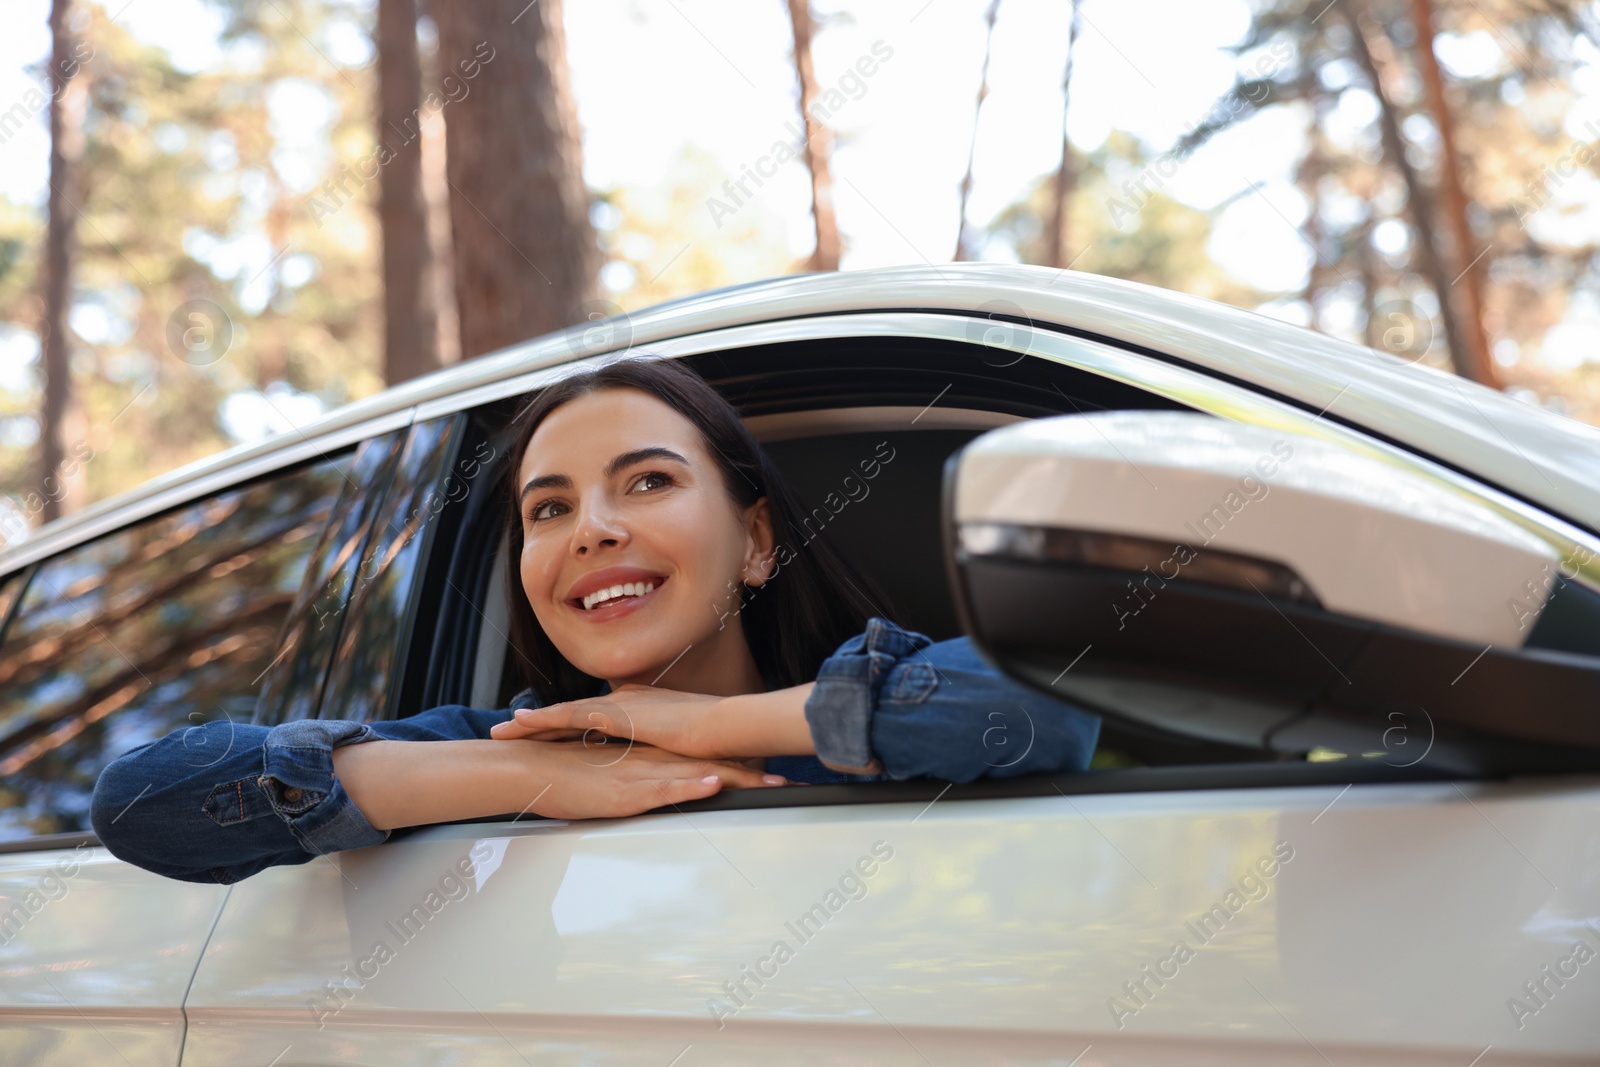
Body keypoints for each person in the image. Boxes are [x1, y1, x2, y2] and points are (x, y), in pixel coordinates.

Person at [90, 357, 1101, 885]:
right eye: (549, 507)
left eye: (647, 480)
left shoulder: (872, 704)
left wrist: (698, 727)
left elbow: (1046, 705)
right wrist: (535, 771)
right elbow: (145, 803)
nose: (593, 529)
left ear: (756, 539)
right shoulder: (485, 746)